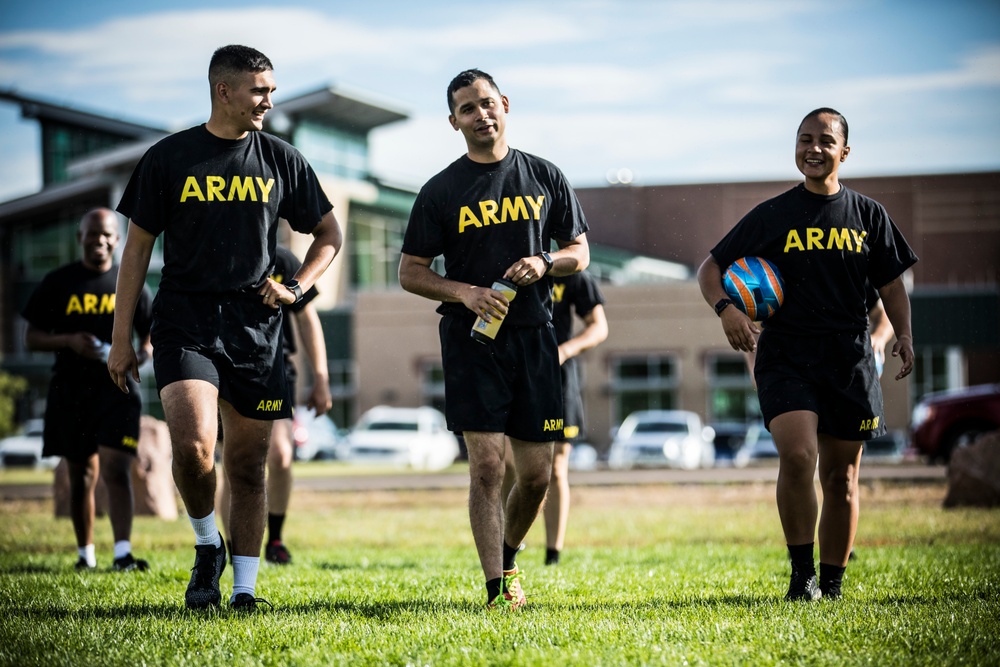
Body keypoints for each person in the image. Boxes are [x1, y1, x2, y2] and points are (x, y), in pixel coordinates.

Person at [108, 45, 342, 612]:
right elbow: (136, 251)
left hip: (255, 330)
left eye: (271, 88)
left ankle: (243, 591)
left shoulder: (282, 158)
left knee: (246, 466)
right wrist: (120, 339)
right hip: (184, 319)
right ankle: (207, 543)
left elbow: (329, 234)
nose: (269, 99)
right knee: (193, 449)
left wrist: (297, 287)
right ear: (224, 92)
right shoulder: (169, 158)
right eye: (260, 89)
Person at [697, 108, 917, 601]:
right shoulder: (774, 213)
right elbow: (710, 268)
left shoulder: (868, 214)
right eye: (803, 140)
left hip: (849, 359)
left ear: (844, 150)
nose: (812, 149)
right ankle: (803, 580)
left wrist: (903, 334)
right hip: (786, 355)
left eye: (824, 140)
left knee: (841, 478)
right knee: (798, 456)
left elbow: (892, 286)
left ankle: (833, 584)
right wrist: (726, 309)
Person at [398, 69, 591, 610]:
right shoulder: (440, 190)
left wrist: (545, 260)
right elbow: (410, 271)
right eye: (467, 109)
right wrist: (464, 292)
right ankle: (496, 587)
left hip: (535, 338)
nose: (481, 115)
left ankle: (509, 555)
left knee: (535, 476)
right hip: (470, 340)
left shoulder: (545, 176)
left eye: (487, 103)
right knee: (486, 466)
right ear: (453, 121)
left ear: (504, 104)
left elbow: (580, 252)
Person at [22, 207, 153, 572]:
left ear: (117, 239)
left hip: (119, 389)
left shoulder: (129, 281)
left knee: (116, 469)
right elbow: (30, 337)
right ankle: (86, 556)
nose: (100, 240)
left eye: (107, 234)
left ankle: (123, 554)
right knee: (81, 472)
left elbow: (152, 331)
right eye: (92, 234)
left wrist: (141, 353)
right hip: (71, 389)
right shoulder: (59, 282)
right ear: (80, 237)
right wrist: (69, 341)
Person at [216, 244, 333, 565]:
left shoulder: (283, 260)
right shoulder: (216, 250)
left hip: (274, 368)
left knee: (280, 455)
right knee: (235, 463)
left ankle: (275, 539)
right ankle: (231, 545)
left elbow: (307, 318)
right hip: (224, 366)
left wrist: (321, 377)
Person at [501, 270, 608, 565]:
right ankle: (509, 544)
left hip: (557, 377)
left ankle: (553, 554)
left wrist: (565, 350)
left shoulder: (572, 273)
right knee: (509, 462)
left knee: (556, 467)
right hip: (512, 370)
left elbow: (599, 327)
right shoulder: (510, 265)